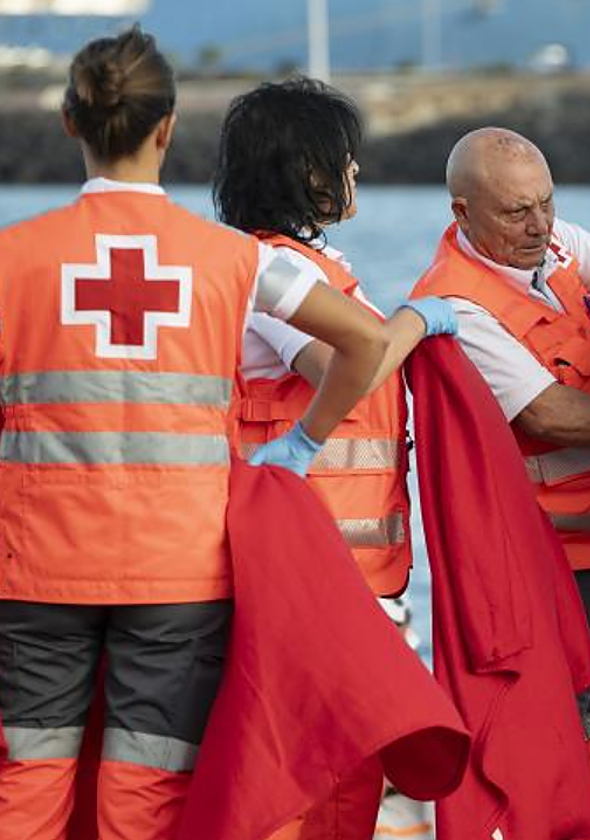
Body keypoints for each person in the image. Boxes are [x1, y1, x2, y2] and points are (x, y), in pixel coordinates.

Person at [0, 27, 385, 840]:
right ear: (169, 127)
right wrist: (304, 442)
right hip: (178, 573)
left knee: (26, 784)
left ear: (70, 122)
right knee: (148, 791)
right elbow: (365, 342)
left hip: (36, 567)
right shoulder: (235, 261)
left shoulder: (13, 258)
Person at [212, 78, 458, 840]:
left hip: (351, 582)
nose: (356, 176)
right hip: (314, 582)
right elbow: (339, 366)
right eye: (346, 162)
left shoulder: (307, 268)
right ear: (312, 174)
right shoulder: (274, 278)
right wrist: (416, 323)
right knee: (327, 794)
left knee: (360, 792)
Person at [410, 126, 590, 840]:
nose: (538, 226)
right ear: (463, 215)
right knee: (570, 734)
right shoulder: (458, 306)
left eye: (546, 204)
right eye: (516, 213)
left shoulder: (550, 247)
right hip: (545, 562)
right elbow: (551, 413)